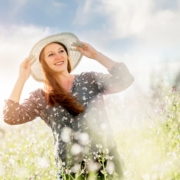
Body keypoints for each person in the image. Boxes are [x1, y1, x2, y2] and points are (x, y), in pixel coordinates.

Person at [3, 32, 134, 180]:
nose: (58, 56)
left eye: (61, 51)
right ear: (43, 63)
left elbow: (125, 79)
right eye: (51, 54)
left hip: (106, 162)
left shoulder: (89, 79)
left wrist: (96, 55)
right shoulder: (40, 97)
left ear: (67, 55)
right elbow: (11, 117)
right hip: (71, 169)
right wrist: (21, 79)